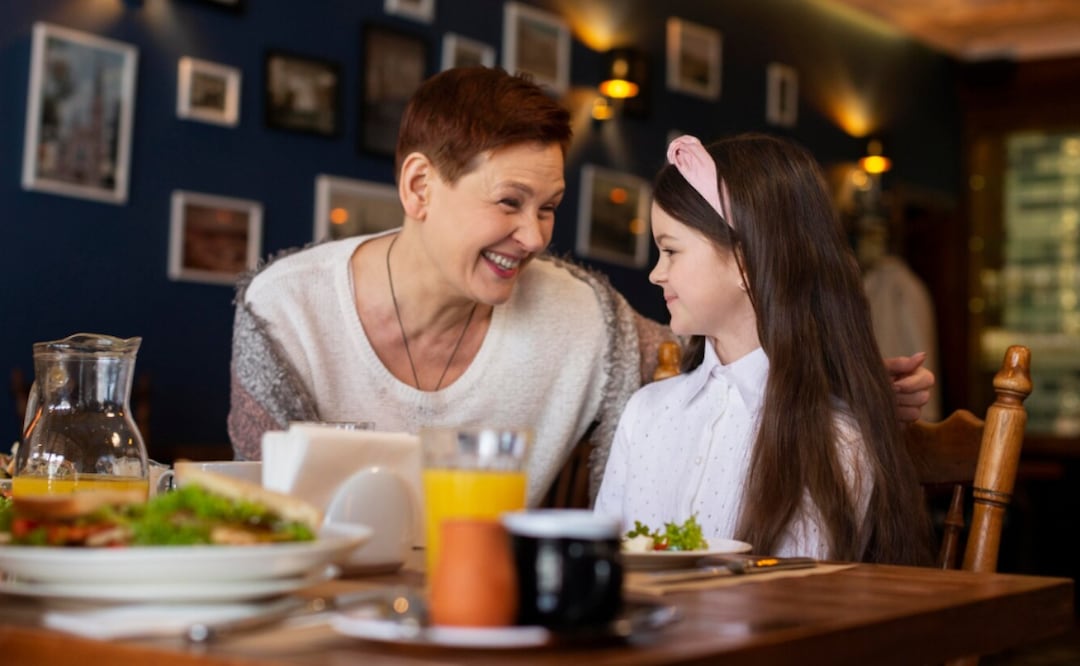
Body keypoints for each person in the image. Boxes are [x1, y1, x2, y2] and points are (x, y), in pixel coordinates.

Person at [227, 66, 934, 509]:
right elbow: (264, 520)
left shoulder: (581, 312)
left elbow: (718, 356)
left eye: (549, 206)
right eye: (508, 203)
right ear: (419, 186)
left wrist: (840, 376)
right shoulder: (285, 311)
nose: (535, 238)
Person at [595, 134, 934, 564]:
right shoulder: (645, 414)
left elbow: (799, 596)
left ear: (745, 262)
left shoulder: (834, 438)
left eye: (670, 251)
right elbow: (603, 561)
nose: (656, 274)